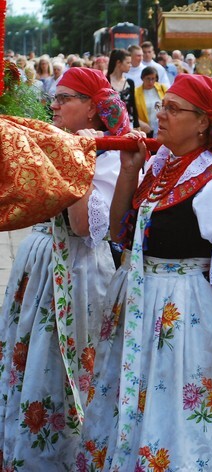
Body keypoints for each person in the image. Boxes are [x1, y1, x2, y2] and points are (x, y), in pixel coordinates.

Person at [79, 74, 212, 470]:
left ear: (202, 122)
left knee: (178, 409)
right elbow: (121, 234)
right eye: (162, 105)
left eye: (173, 109)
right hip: (143, 307)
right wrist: (129, 170)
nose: (160, 114)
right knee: (141, 402)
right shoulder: (161, 166)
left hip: (185, 315)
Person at [0, 67, 127, 468]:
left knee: (65, 361)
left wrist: (79, 156)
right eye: (54, 98)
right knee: (28, 356)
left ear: (92, 108)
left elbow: (83, 226)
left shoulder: (109, 156)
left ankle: (66, 457)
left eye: (64, 98)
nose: (54, 106)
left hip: (77, 269)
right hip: (38, 264)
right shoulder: (55, 142)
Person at [106, 48, 138, 127]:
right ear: (118, 63)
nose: (130, 65)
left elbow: (133, 105)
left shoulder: (129, 83)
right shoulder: (106, 81)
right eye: (128, 62)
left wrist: (137, 125)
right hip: (110, 124)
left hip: (128, 124)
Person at [133, 66, 168, 136]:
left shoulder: (163, 88)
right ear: (142, 78)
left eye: (153, 79)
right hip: (146, 130)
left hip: (162, 128)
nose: (150, 82)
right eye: (148, 78)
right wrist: (139, 123)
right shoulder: (135, 93)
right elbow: (132, 113)